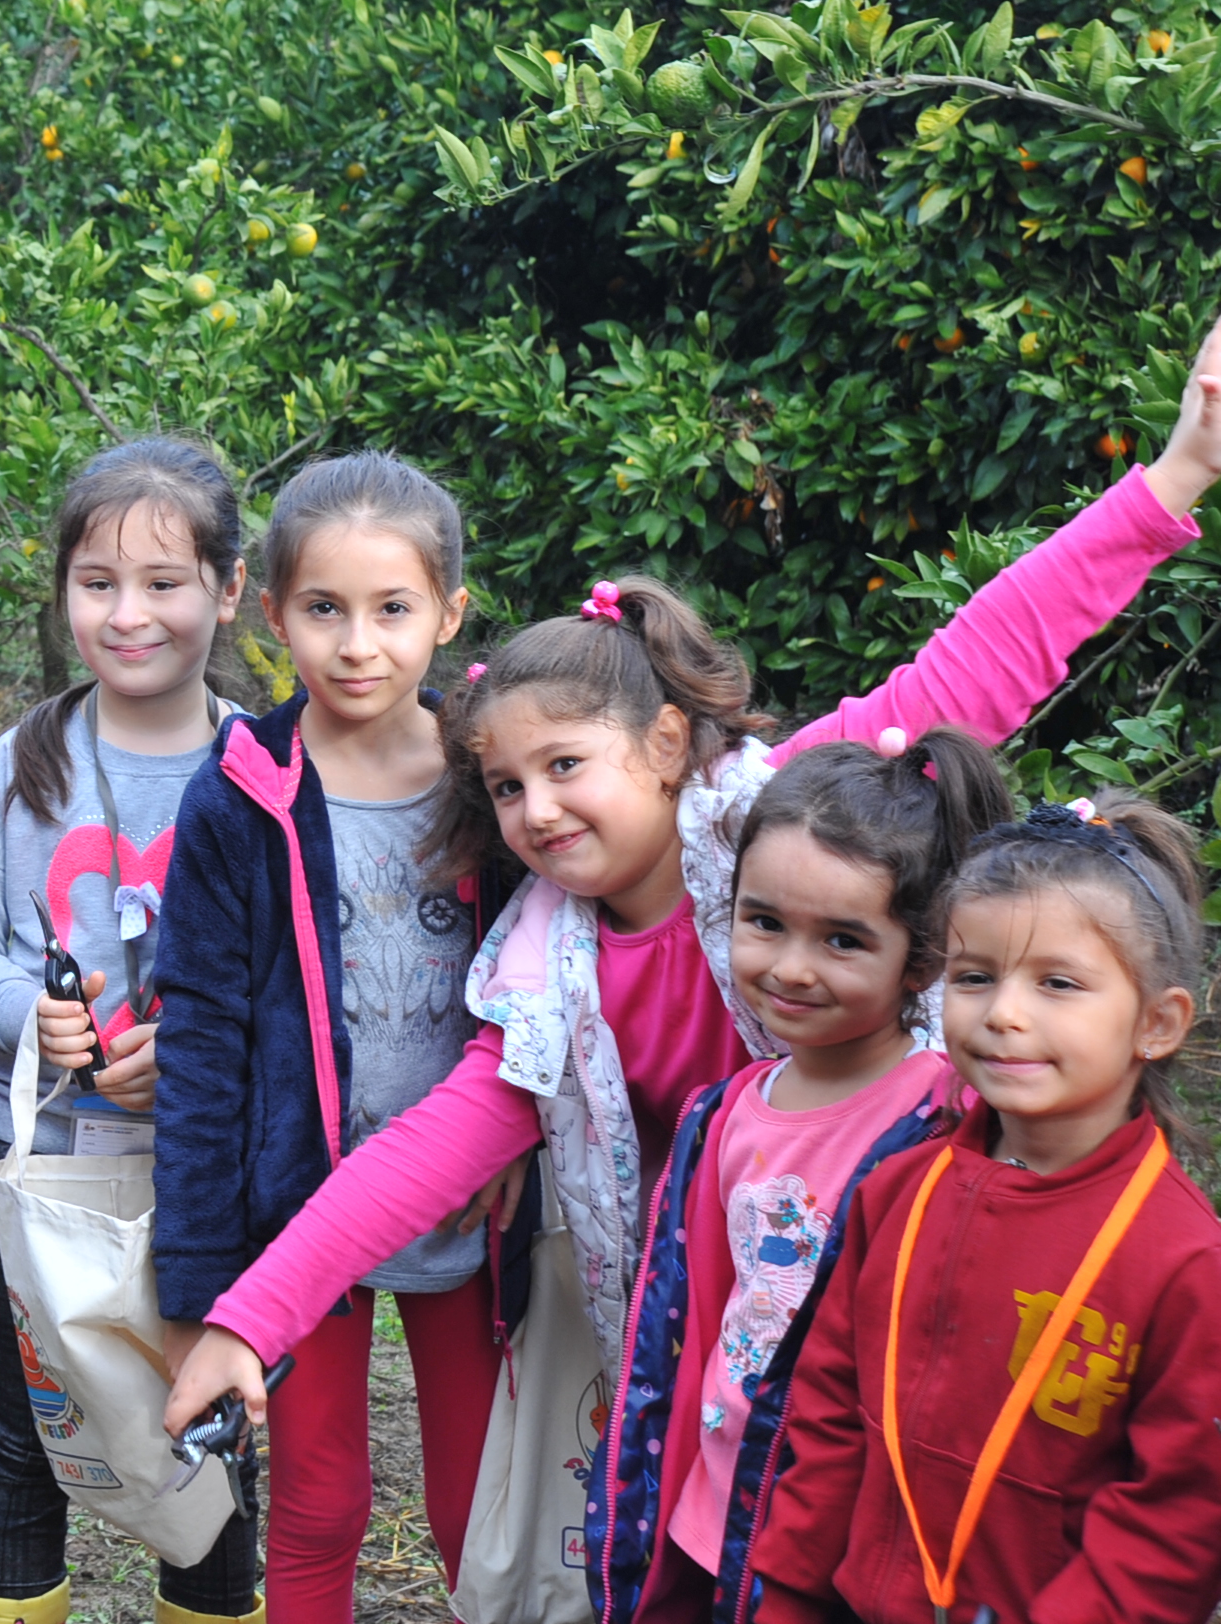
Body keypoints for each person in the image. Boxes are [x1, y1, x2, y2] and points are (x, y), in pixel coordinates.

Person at [162, 307, 1221, 1446]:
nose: (536, 811)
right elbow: (421, 1154)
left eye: (566, 768)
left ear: (667, 745)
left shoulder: (784, 814)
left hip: (899, 1291)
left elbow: (981, 658)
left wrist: (1177, 473)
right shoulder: (543, 971)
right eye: (507, 787)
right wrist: (249, 1318)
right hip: (704, 1347)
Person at [140, 451, 499, 1624]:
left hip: (468, 1203)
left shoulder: (496, 781)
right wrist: (201, 1275)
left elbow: (550, 993)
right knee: (317, 1497)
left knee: (477, 1504)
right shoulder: (238, 792)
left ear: (448, 611)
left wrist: (530, 1155)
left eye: (392, 609)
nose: (357, 644)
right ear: (268, 608)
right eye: (323, 608)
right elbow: (201, 1041)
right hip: (301, 1205)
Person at [0, 435, 255, 1624]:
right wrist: (32, 1013)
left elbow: (295, 981)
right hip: (36, 1164)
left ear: (228, 587)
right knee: (27, 1428)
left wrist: (199, 1058)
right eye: (96, 582)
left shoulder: (261, 767)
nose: (127, 613)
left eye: (163, 582)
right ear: (61, 588)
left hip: (207, 1171)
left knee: (207, 1430)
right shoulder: (23, 764)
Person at [745, 794, 1221, 1624]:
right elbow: (828, 1421)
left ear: (1157, 1022)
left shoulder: (1185, 1263)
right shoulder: (897, 1191)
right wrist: (786, 1595)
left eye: (1058, 984)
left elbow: (1175, 1523)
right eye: (975, 977)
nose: (1003, 1013)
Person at [588, 729, 1011, 1624]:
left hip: (845, 1530)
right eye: (765, 922)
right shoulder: (726, 1112)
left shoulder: (947, 1126)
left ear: (922, 961)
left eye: (843, 940)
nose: (789, 967)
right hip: (713, 1500)